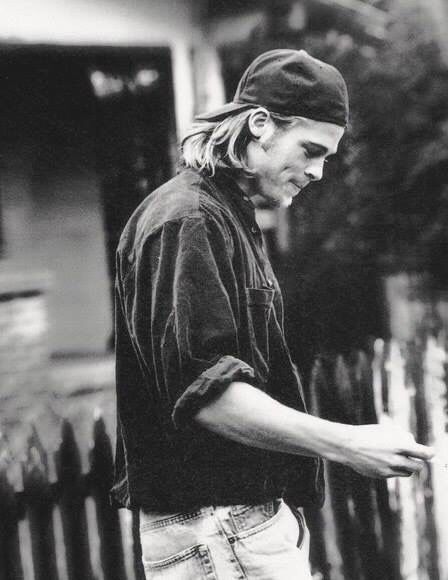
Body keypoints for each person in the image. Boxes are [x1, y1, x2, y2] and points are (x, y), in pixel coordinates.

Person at [111, 49, 434, 579]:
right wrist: (349, 443)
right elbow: (205, 396)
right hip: (217, 528)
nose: (317, 172)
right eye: (310, 150)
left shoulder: (224, 214)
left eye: (327, 156)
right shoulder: (188, 220)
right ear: (260, 124)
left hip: (235, 526)